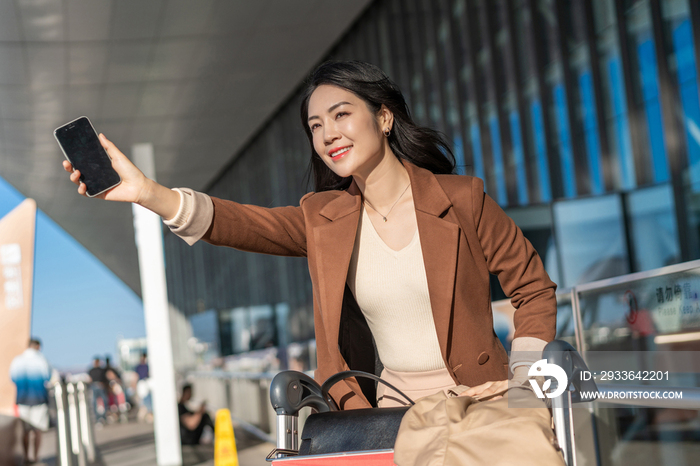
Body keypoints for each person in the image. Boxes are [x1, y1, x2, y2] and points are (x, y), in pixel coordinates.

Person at [62, 61, 555, 410]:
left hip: (483, 402)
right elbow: (241, 223)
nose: (327, 135)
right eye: (316, 126)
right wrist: (148, 192)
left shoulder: (462, 198)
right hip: (389, 415)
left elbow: (533, 289)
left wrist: (522, 386)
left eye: (341, 115)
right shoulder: (325, 218)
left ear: (383, 117)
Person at [9, 338, 52, 464]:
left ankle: (26, 457)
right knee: (37, 430)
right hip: (39, 399)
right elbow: (47, 377)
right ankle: (36, 456)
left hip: (22, 399)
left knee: (25, 430)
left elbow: (12, 378)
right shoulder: (41, 359)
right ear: (38, 347)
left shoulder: (17, 360)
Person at [87, 356, 108, 424]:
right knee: (95, 402)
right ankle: (98, 417)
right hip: (94, 386)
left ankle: (103, 416)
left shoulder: (101, 370)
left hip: (100, 386)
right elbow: (90, 379)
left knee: (104, 401)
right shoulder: (91, 370)